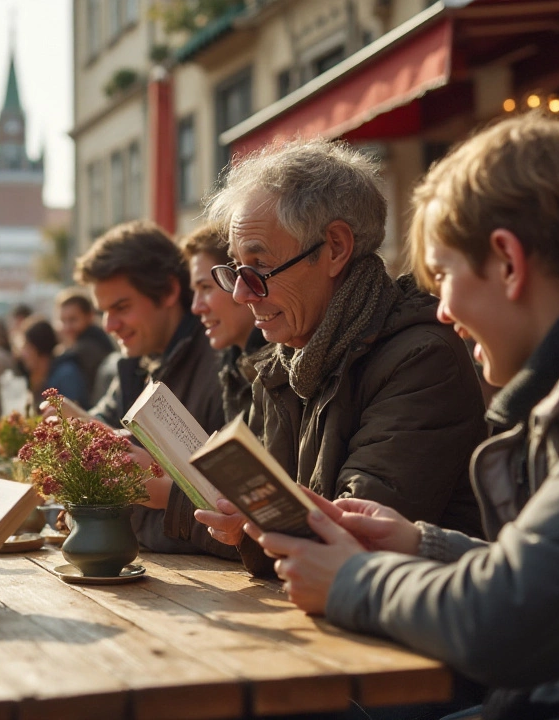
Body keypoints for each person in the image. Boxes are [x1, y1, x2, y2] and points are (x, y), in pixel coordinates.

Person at [248, 114, 559, 720]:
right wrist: (419, 543)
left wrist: (354, 580)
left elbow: (514, 623)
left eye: (444, 274)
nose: (445, 311)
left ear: (508, 260)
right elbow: (557, 578)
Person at [193, 137, 486, 575]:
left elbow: (350, 537)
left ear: (334, 248)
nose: (239, 293)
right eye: (234, 270)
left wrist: (256, 526)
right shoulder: (281, 363)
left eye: (257, 269)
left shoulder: (422, 359)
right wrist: (240, 521)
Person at [73, 220, 229, 556]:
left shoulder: (221, 363)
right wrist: (76, 431)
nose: (110, 325)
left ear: (170, 291)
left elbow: (232, 526)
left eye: (122, 308)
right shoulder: (140, 361)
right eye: (104, 312)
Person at [179, 222, 265, 423]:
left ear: (242, 281)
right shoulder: (231, 369)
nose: (196, 307)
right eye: (194, 291)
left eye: (206, 287)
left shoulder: (283, 371)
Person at [54, 287, 115, 398]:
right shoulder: (86, 341)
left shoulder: (92, 345)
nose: (67, 327)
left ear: (89, 316)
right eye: (63, 320)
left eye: (73, 319)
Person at [19, 316, 87, 406]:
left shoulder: (66, 375)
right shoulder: (44, 376)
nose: (23, 354)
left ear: (38, 348)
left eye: (27, 347)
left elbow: (73, 415)